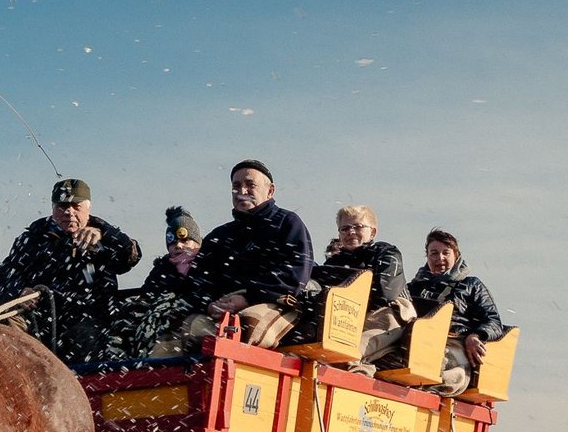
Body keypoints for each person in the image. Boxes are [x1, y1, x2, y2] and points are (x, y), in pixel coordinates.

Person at [0, 177, 141, 363]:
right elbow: (2, 283)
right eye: (62, 206)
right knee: (1, 331)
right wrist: (19, 293)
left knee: (83, 340)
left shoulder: (105, 237)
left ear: (89, 208)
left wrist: (104, 234)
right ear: (53, 209)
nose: (69, 212)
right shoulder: (32, 239)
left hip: (88, 318)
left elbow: (130, 257)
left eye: (76, 206)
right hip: (39, 319)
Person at [190, 160, 315, 348]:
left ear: (270, 191)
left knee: (244, 327)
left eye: (250, 184)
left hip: (274, 301)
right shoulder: (219, 235)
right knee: (184, 330)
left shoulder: (288, 223)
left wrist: (248, 298)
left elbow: (294, 274)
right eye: (236, 185)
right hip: (221, 305)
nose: (242, 191)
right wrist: (208, 303)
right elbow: (197, 279)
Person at [398, 228, 505, 395]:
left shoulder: (471, 285)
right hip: (416, 340)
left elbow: (494, 322)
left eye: (445, 253)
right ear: (427, 257)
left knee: (456, 375)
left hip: (454, 342)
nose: (439, 258)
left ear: (456, 255)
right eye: (434, 253)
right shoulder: (414, 287)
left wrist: (476, 335)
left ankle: (430, 385)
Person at [312, 205, 413, 370]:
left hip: (387, 314)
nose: (351, 232)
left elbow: (387, 293)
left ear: (372, 232)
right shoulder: (334, 263)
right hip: (345, 316)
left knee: (348, 351)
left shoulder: (387, 253)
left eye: (358, 227)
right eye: (345, 228)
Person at [109, 206, 209, 357]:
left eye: (185, 241)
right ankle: (118, 362)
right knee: (127, 318)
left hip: (187, 313)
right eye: (173, 243)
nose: (179, 246)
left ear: (197, 243)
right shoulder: (163, 268)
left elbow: (205, 291)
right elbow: (147, 293)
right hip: (158, 312)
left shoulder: (206, 264)